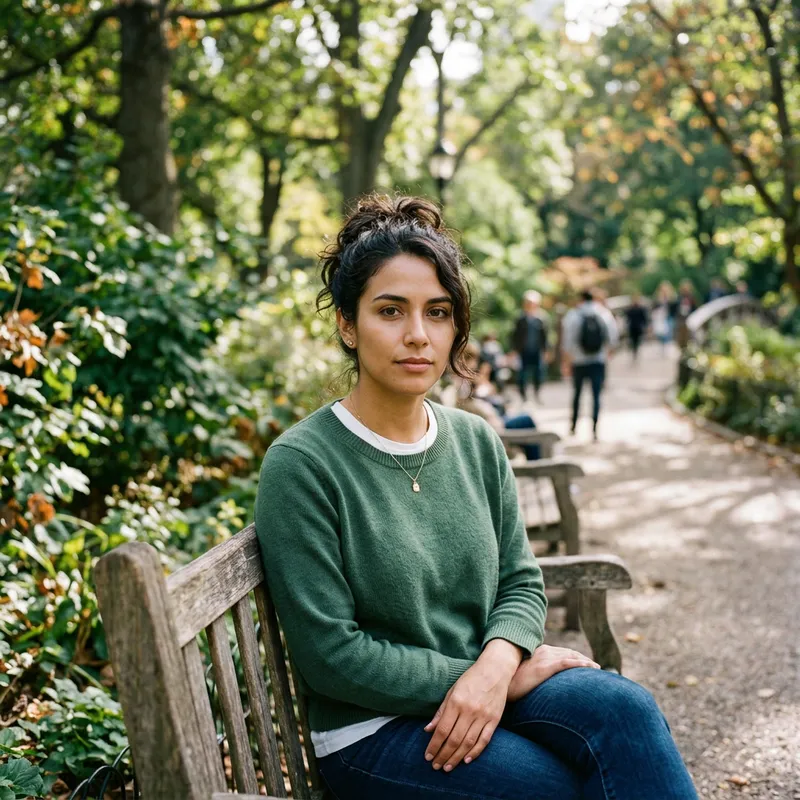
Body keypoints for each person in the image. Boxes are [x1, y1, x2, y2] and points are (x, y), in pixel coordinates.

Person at [254, 195, 698, 799]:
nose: (417, 335)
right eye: (390, 311)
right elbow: (332, 655)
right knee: (563, 789)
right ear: (347, 324)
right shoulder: (303, 464)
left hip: (491, 681)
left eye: (437, 312)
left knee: (625, 710)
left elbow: (520, 581)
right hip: (375, 730)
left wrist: (498, 665)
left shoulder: (474, 440)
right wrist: (491, 677)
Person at [562, 289, 619, 440]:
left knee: (577, 394)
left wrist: (567, 361)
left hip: (578, 361)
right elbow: (613, 337)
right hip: (598, 361)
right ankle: (594, 429)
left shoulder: (573, 314)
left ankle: (573, 426)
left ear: (581, 298)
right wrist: (608, 353)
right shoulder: (603, 313)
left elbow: (567, 340)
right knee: (596, 395)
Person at [510, 290, 548, 403]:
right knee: (522, 375)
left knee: (538, 374)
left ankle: (537, 394)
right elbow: (515, 335)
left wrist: (546, 351)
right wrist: (514, 350)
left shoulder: (542, 318)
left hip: (537, 350)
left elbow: (545, 336)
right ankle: (523, 397)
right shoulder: (520, 318)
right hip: (523, 350)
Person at [652, 281, 676, 354]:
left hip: (669, 316)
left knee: (669, 332)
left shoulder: (672, 297)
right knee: (661, 333)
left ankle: (667, 347)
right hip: (661, 317)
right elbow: (654, 307)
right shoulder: (657, 298)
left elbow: (674, 307)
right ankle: (662, 346)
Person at [624, 293, 649, 363]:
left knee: (637, 341)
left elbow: (644, 318)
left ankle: (635, 351)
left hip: (638, 328)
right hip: (632, 327)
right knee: (633, 341)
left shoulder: (641, 309)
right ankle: (634, 351)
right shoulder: (631, 309)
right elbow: (627, 318)